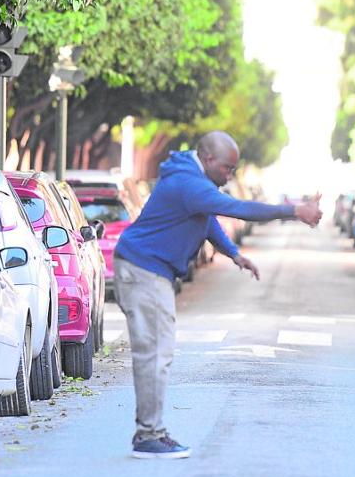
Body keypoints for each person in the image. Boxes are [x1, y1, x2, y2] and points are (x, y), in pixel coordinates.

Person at [112, 131, 323, 459]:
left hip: (146, 269)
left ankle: (151, 431)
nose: (230, 176)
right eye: (227, 168)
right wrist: (293, 210)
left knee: (158, 352)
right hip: (144, 270)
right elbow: (236, 208)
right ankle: (149, 435)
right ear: (209, 159)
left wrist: (232, 253)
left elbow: (206, 220)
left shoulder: (191, 180)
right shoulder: (189, 184)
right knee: (155, 353)